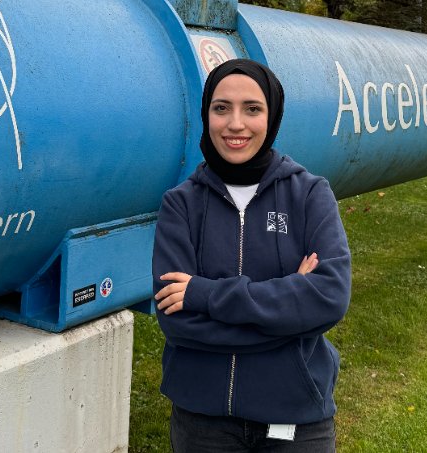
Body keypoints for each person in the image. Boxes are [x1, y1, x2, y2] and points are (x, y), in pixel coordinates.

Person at [152, 59, 352, 452]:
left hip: (295, 420)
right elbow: (178, 324)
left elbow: (328, 298)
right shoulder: (180, 205)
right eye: (221, 107)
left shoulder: (309, 194)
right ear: (206, 113)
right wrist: (289, 310)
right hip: (202, 422)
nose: (235, 124)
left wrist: (204, 295)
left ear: (272, 115)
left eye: (252, 109)